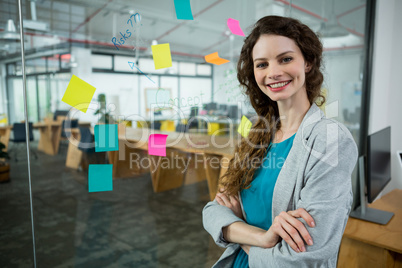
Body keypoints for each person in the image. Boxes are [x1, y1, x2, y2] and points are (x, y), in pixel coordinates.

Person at [202, 15, 358, 268]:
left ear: (307, 62)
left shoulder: (330, 140)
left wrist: (240, 232)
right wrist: (263, 237)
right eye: (261, 64)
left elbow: (302, 255)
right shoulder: (257, 132)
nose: (273, 73)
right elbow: (211, 211)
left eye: (285, 59)